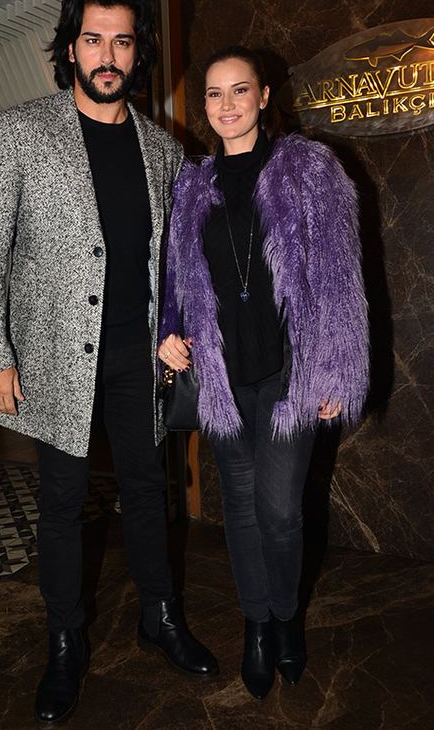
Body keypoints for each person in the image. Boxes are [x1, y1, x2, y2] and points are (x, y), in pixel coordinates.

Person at [0, 0, 218, 725]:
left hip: (139, 354)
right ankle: (65, 640)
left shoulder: (162, 148)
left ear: (138, 53)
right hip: (51, 356)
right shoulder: (19, 131)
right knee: (63, 501)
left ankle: (159, 616)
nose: (107, 55)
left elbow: (173, 260)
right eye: (93, 39)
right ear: (70, 48)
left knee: (146, 489)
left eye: (122, 41)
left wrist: (177, 330)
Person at [159, 46, 369, 700]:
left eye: (238, 90)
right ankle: (255, 625)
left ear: (263, 96)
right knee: (241, 510)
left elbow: (339, 276)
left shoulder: (308, 169)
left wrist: (336, 368)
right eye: (213, 94)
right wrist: (167, 333)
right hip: (220, 375)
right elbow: (174, 277)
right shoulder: (191, 184)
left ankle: (285, 618)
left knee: (279, 511)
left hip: (288, 372)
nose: (225, 105)